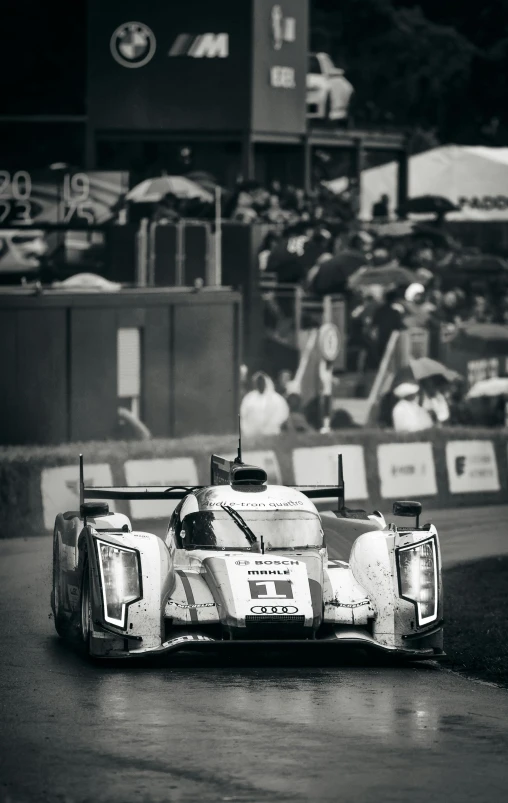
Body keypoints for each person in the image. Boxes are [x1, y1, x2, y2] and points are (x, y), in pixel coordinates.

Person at [240, 371, 289, 437]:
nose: (260, 384)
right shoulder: (249, 398)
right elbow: (243, 414)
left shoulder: (276, 399)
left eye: (261, 382)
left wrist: (271, 426)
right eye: (258, 382)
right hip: (251, 433)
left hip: (271, 433)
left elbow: (282, 414)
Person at [371, 288, 406, 363]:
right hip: (392, 340)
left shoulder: (379, 311)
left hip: (381, 339)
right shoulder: (395, 312)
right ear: (394, 300)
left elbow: (373, 324)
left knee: (381, 360)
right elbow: (399, 326)